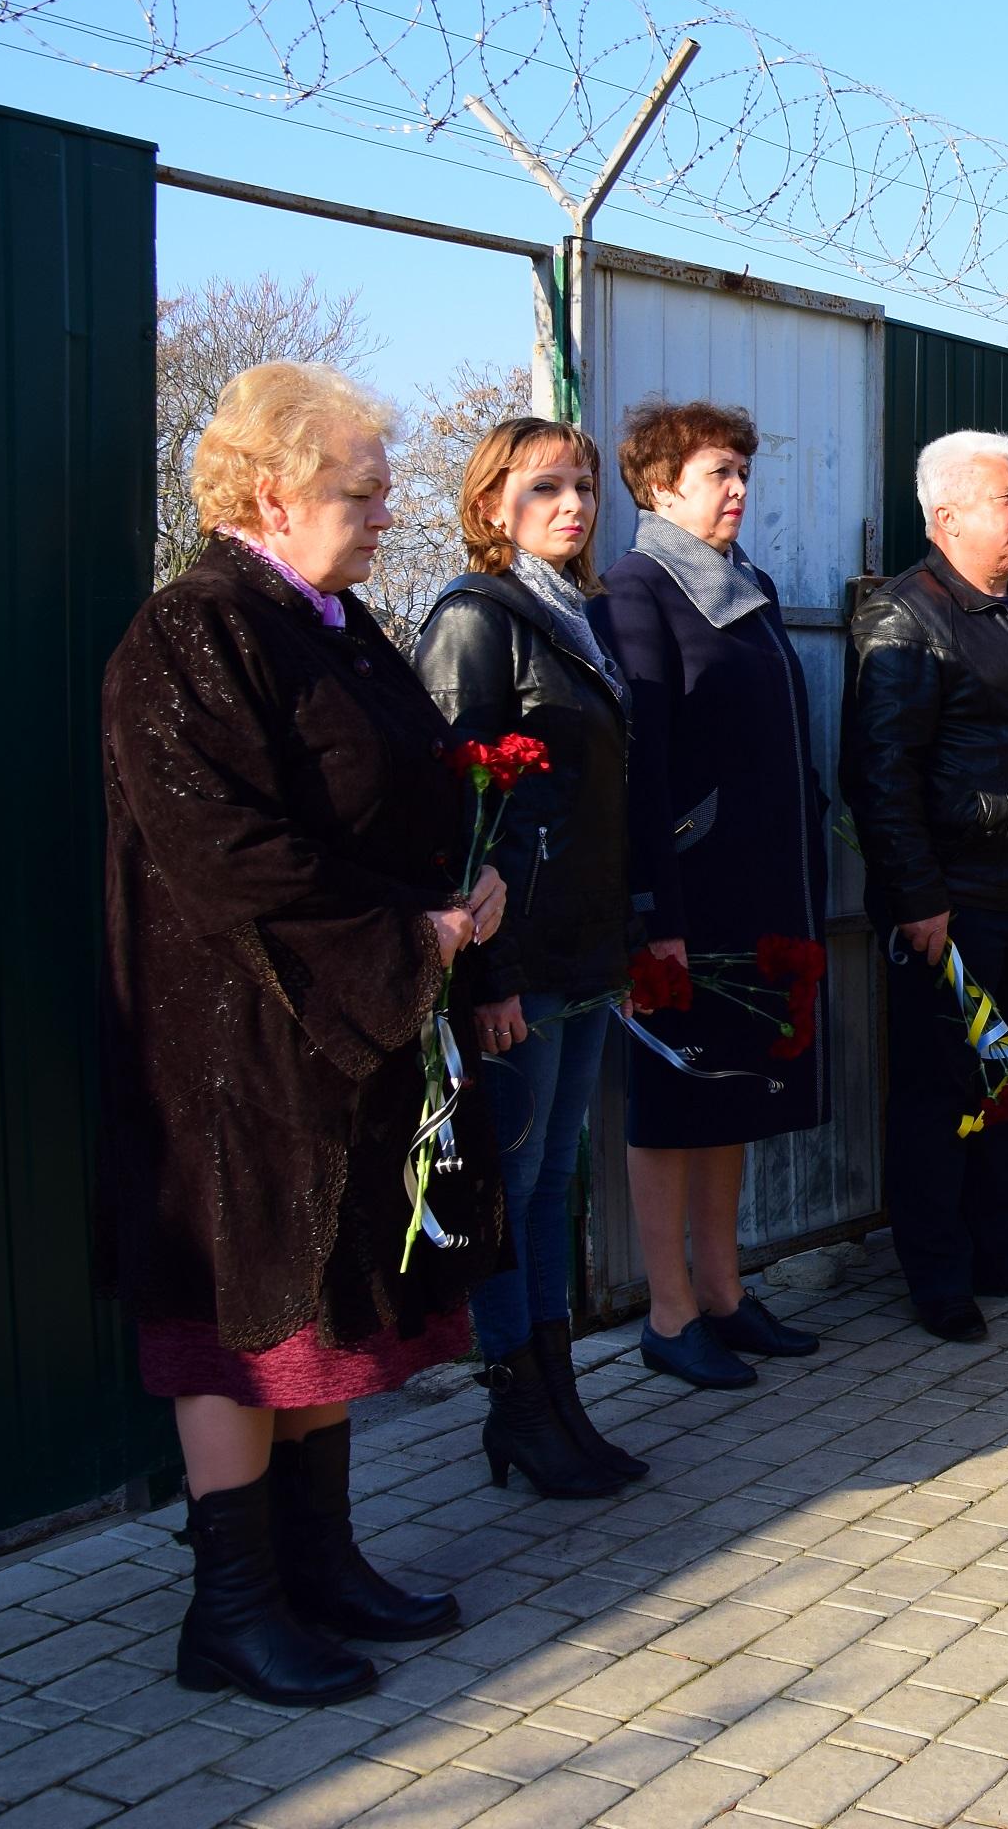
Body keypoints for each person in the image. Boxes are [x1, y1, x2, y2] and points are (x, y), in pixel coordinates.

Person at [101, 361, 501, 1706]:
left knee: (326, 1300)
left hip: (338, 1031)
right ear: (274, 489)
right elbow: (227, 851)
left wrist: (466, 885)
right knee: (241, 1317)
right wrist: (413, 939)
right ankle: (231, 1609)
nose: (389, 510)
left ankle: (321, 1565)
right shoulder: (192, 630)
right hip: (235, 1042)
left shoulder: (332, 623)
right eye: (362, 488)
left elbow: (413, 780)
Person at [842, 430, 1008, 1344]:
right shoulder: (905, 616)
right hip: (955, 906)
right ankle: (938, 1275)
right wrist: (918, 897)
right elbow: (882, 774)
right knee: (939, 1096)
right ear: (948, 515)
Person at [414, 419, 640, 1498]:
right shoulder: (477, 617)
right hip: (518, 960)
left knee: (552, 1181)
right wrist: (487, 977)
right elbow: (452, 819)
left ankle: (557, 1400)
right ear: (491, 500)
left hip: (583, 944)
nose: (574, 504)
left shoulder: (577, 618)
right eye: (545, 485)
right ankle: (517, 1402)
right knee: (512, 1183)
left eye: (586, 486)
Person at [599, 399, 831, 1391]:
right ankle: (669, 1311)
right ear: (658, 486)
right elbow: (639, 764)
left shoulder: (754, 585)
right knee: (670, 1097)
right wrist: (658, 911)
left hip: (761, 888)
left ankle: (728, 1293)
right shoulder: (636, 589)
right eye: (717, 473)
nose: (739, 488)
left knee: (731, 1090)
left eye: (744, 470)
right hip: (687, 897)